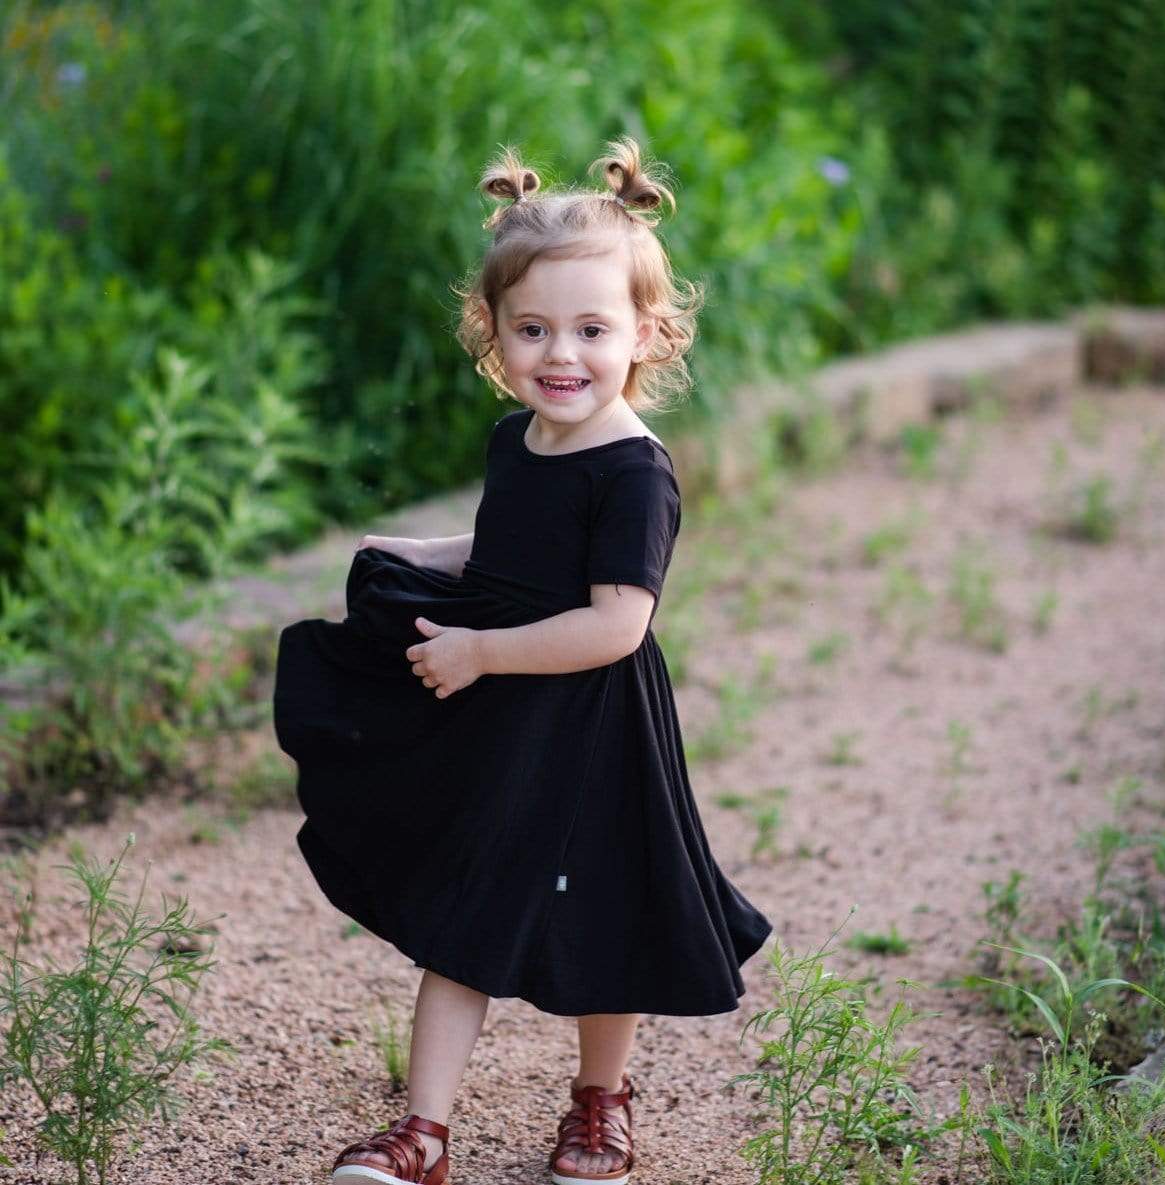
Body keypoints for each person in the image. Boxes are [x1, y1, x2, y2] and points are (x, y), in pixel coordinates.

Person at [272, 135, 773, 1185]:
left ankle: (600, 1102)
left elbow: (615, 623)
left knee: (609, 906)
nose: (560, 355)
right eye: (532, 328)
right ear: (492, 332)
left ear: (645, 334)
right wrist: (425, 554)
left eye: (591, 329)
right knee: (466, 904)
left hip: (593, 724)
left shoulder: (635, 473)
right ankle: (423, 1132)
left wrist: (482, 651)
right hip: (506, 719)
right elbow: (512, 546)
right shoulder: (521, 441)